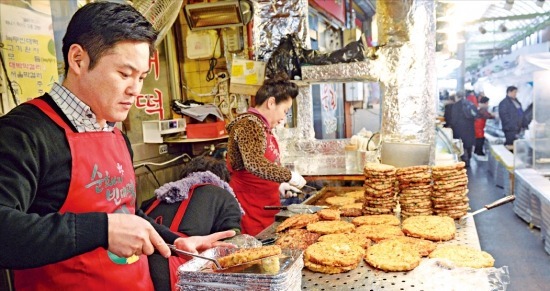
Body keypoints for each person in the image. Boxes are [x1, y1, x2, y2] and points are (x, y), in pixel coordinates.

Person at [0, 2, 234, 290]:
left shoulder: (114, 132)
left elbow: (125, 213)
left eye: (141, 78)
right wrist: (103, 229)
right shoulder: (23, 133)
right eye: (124, 74)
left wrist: (174, 241)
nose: (135, 90)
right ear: (78, 59)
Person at [140, 156, 244, 291]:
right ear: (223, 179)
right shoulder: (224, 196)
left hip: (137, 268)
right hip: (172, 275)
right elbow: (232, 243)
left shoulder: (158, 196)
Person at [226, 72, 307, 236]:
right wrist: (288, 176)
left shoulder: (262, 127)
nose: (283, 118)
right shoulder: (249, 124)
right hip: (250, 208)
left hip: (265, 204)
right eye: (285, 111)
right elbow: (255, 163)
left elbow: (263, 164)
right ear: (271, 103)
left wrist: (278, 186)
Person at [450, 91, 478, 166]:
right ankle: (468, 158)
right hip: (470, 128)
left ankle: (464, 161)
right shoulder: (470, 103)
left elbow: (454, 119)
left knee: (461, 145)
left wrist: (452, 127)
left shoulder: (456, 106)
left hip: (459, 129)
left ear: (457, 97)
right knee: (468, 144)